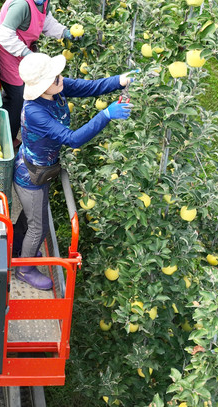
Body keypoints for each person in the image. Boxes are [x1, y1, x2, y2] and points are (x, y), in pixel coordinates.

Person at [12, 53, 135, 290]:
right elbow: (73, 139)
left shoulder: (56, 86)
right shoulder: (35, 111)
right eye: (52, 76)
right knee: (39, 226)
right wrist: (106, 114)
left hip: (41, 169)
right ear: (39, 86)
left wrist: (120, 80)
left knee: (31, 217)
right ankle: (24, 270)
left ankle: (19, 251)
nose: (59, 77)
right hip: (30, 175)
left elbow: (89, 87)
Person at [0, 0, 77, 146]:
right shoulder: (22, 4)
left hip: (24, 51)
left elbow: (45, 21)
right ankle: (6, 139)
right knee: (16, 95)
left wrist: (64, 32)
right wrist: (25, 52)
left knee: (23, 93)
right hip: (9, 50)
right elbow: (4, 34)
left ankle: (11, 132)